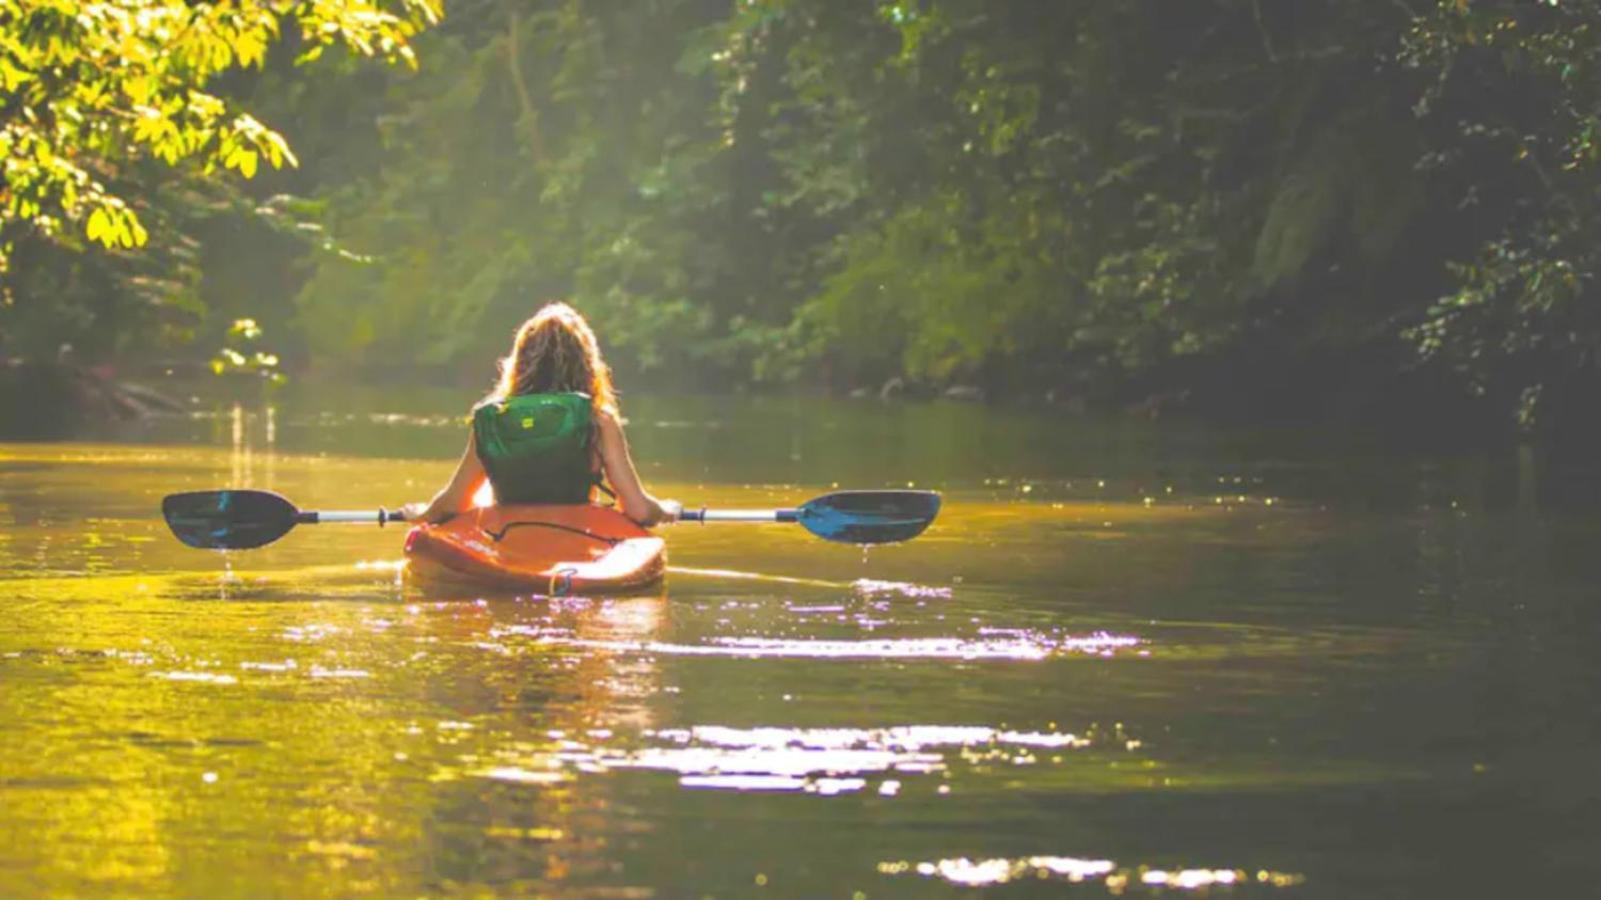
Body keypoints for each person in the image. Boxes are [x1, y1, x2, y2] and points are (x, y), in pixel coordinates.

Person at [401, 303, 679, 526]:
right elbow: (640, 511)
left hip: (507, 541)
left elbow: (454, 503)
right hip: (579, 539)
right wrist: (666, 510)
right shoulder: (599, 422)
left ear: (520, 361)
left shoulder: (494, 420)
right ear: (587, 363)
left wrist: (423, 514)